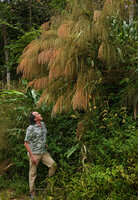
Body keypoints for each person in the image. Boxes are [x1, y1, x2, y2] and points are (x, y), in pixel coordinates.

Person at [24, 111, 56, 199]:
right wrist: (32, 156)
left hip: (44, 152)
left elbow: (42, 136)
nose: (40, 114)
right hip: (34, 153)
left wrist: (44, 143)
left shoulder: (43, 124)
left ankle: (48, 186)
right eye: (38, 114)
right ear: (35, 119)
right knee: (33, 173)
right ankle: (32, 192)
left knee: (53, 165)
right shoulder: (31, 128)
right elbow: (26, 143)